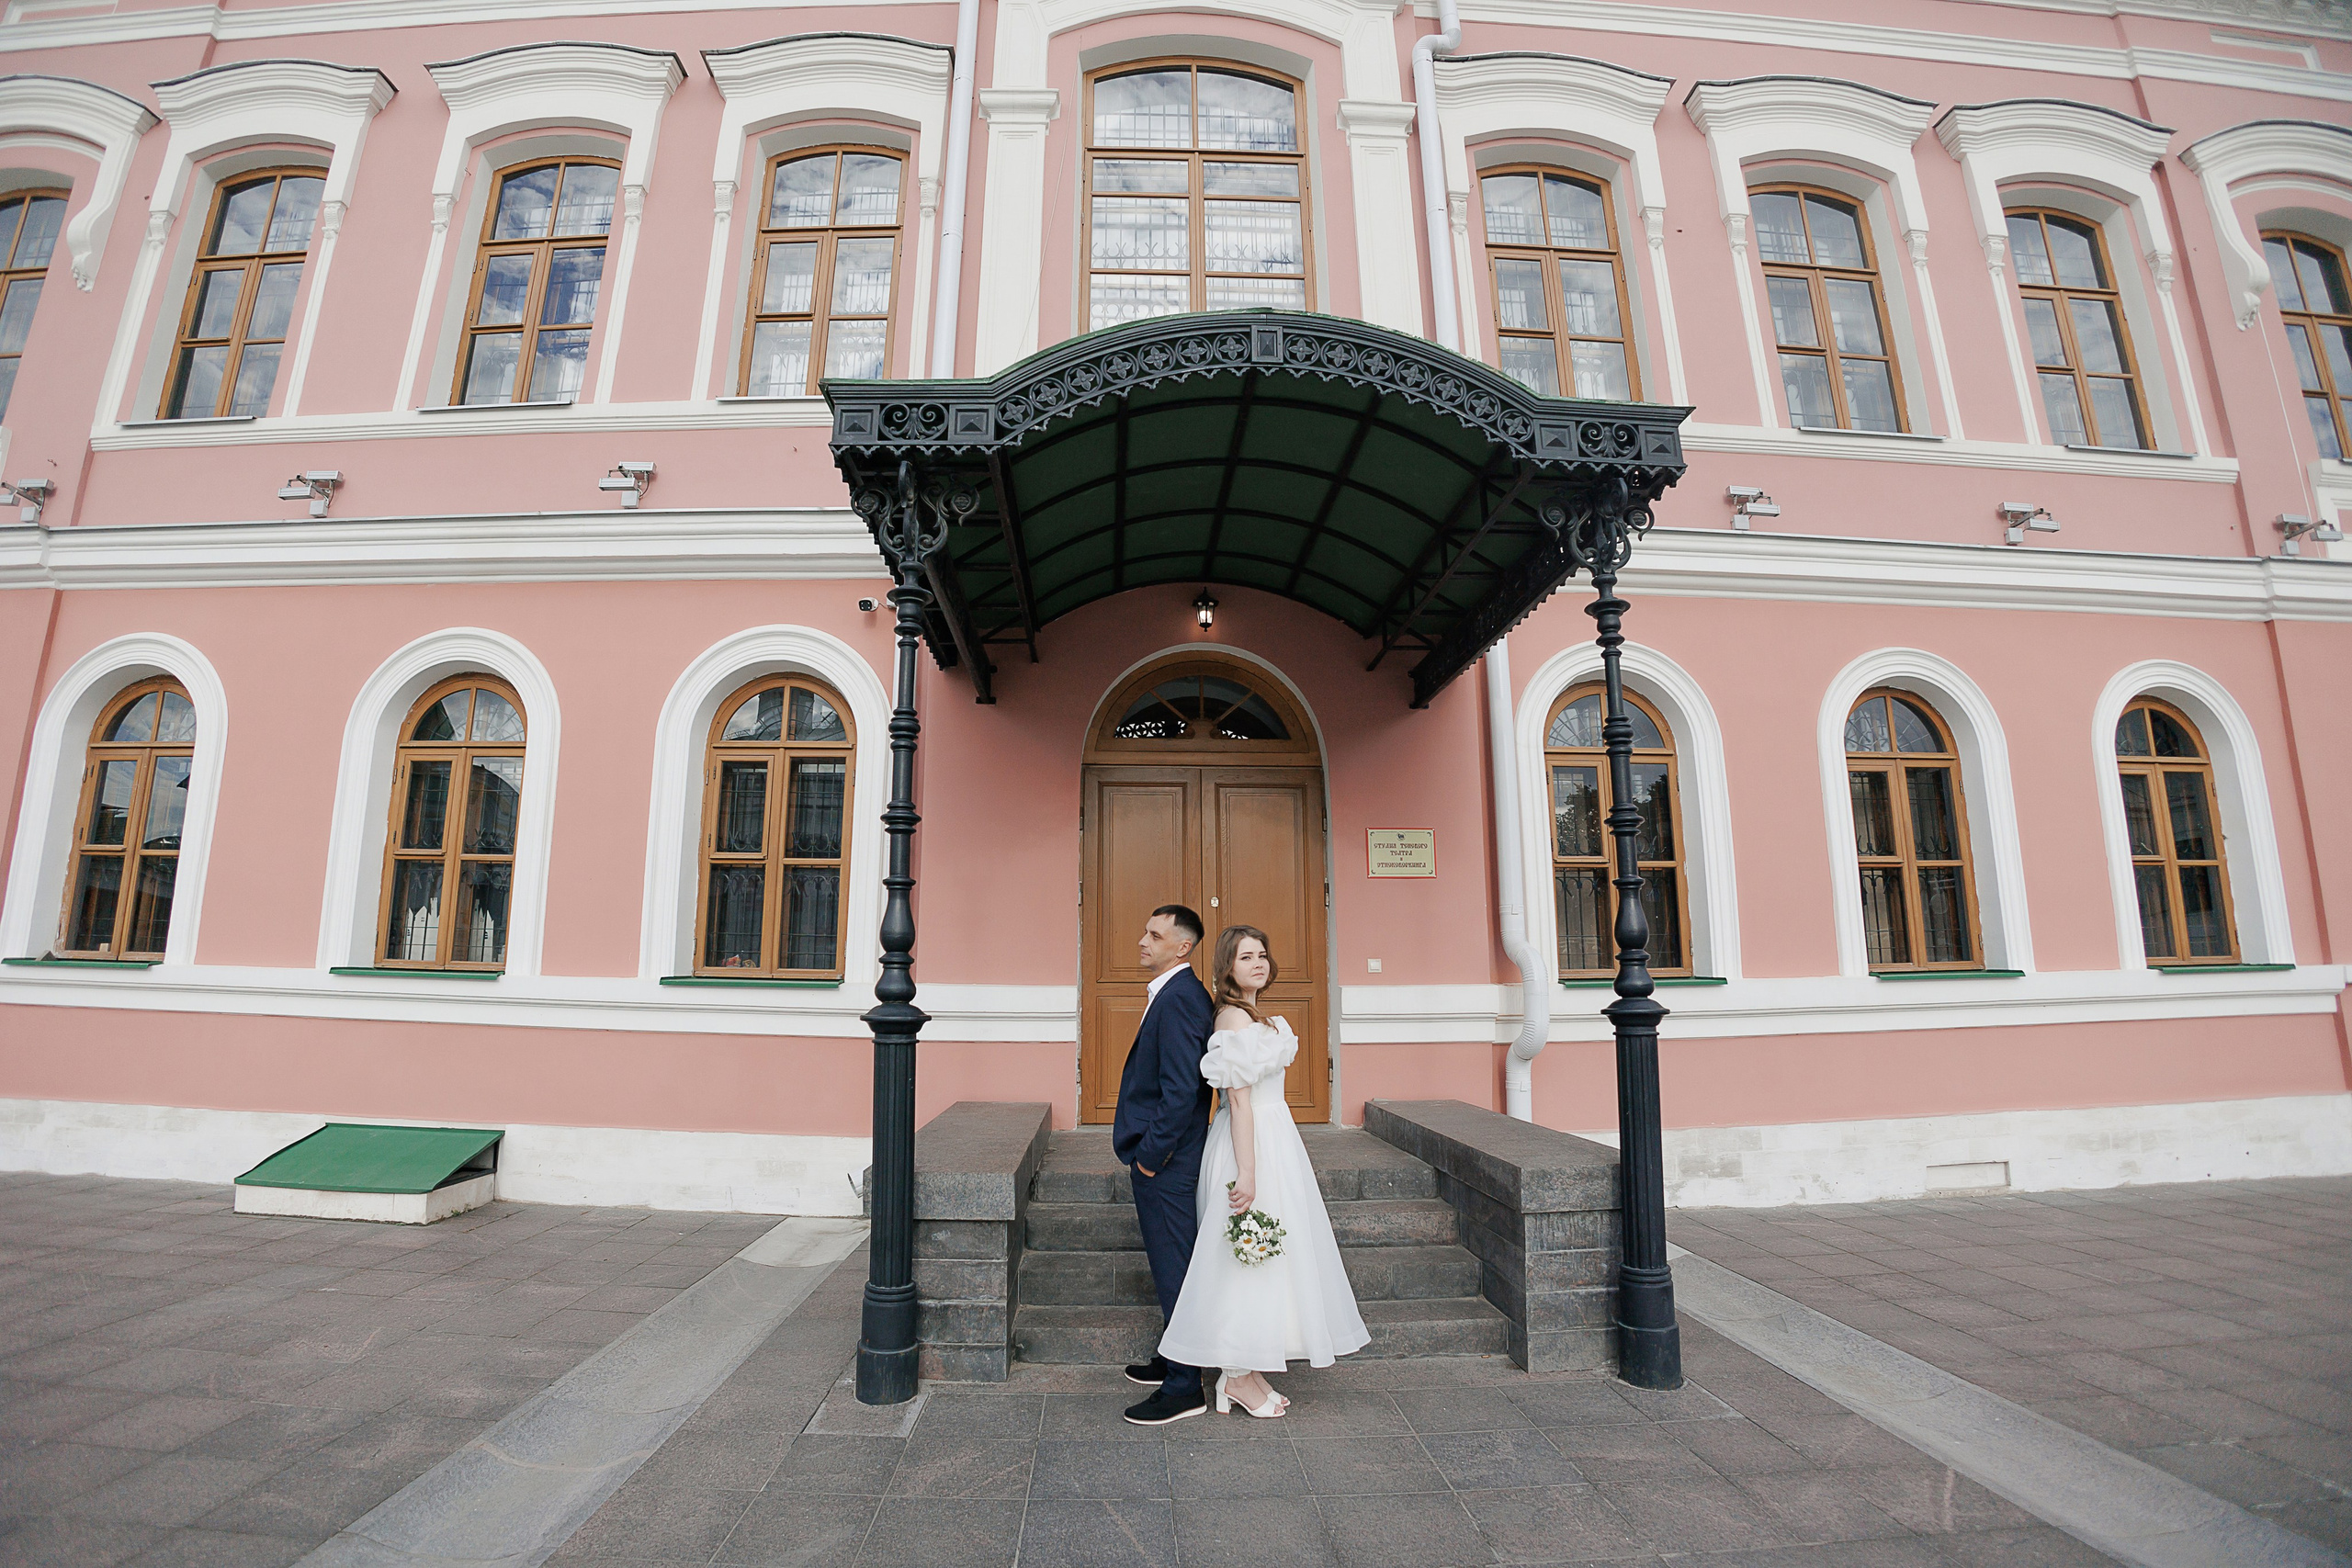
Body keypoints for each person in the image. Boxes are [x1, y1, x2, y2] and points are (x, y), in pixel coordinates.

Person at [1158, 924, 1368, 1416]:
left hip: (1274, 1139)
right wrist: (1247, 1173)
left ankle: (1247, 1370)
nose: (1257, 963)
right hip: (1247, 1145)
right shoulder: (1232, 1019)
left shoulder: (1256, 1016)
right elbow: (1238, 1100)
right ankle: (1236, 1375)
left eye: (1261, 955)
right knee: (1242, 1256)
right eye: (1245, 956)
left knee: (1264, 1256)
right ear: (1227, 967)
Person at [1111, 903, 1217, 1425]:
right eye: (1145, 932)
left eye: (1154, 935)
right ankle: (1175, 1355)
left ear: (1183, 947)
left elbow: (1181, 1092)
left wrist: (1150, 1158)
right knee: (1170, 1263)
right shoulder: (1173, 994)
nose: (1142, 941)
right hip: (1167, 1158)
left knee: (1176, 1268)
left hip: (1169, 1162)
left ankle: (1184, 1386)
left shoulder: (1179, 1000)